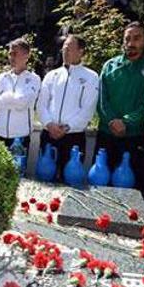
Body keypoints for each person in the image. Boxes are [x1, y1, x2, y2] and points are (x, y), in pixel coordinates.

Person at [97, 21, 144, 191]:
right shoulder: (110, 66)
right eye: (127, 39)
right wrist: (112, 121)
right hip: (106, 134)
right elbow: (102, 99)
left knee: (130, 190)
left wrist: (126, 122)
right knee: (100, 184)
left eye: (137, 38)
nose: (131, 43)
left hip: (135, 136)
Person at [38, 34, 99, 180]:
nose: (65, 51)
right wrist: (49, 124)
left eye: (69, 47)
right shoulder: (52, 75)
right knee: (45, 181)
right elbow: (41, 104)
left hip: (74, 137)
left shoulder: (91, 77)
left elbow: (88, 109)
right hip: (48, 134)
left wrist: (67, 127)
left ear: (81, 51)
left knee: (70, 181)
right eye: (64, 47)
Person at [0, 38, 41, 150]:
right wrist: (12, 99)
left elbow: (23, 103)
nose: (11, 57)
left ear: (26, 56)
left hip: (20, 136)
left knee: (17, 168)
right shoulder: (2, 77)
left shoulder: (34, 79)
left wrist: (5, 97)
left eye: (15, 53)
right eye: (10, 53)